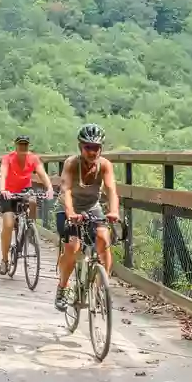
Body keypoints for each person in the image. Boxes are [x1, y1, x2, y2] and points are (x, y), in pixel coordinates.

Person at [54, 123, 119, 311]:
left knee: (103, 239)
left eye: (97, 148)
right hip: (68, 207)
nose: (93, 152)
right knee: (72, 246)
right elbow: (65, 189)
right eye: (88, 147)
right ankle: (63, 287)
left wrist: (114, 211)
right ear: (80, 147)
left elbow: (112, 190)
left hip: (92, 206)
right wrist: (71, 213)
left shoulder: (105, 165)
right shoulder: (72, 164)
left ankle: (100, 289)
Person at [0, 135, 53, 275]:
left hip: (24, 191)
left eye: (25, 145)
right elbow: (2, 175)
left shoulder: (33, 158)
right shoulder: (8, 159)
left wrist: (49, 188)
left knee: (33, 200)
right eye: (20, 145)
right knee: (8, 224)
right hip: (9, 193)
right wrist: (3, 190)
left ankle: (30, 228)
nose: (23, 148)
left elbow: (42, 174)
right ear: (16, 146)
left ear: (28, 146)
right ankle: (5, 260)